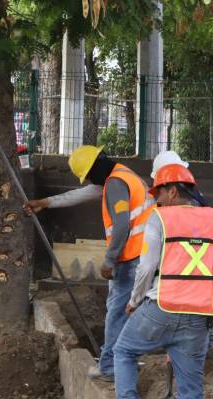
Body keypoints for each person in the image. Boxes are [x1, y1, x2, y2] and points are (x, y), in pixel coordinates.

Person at [24, 145, 155, 382]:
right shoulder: (122, 175)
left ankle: (110, 368)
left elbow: (122, 225)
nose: (89, 182)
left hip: (131, 257)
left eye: (87, 176)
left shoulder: (115, 183)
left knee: (117, 313)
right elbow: (83, 194)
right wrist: (45, 202)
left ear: (94, 169)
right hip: (144, 254)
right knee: (129, 311)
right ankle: (123, 362)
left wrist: (109, 259)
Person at [113, 164, 213, 399]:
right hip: (200, 315)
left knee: (123, 350)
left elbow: (147, 267)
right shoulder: (212, 217)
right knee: (191, 389)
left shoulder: (160, 219)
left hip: (163, 306)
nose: (156, 199)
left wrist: (134, 301)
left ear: (172, 191)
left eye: (159, 192)